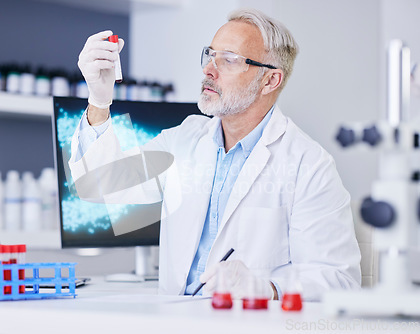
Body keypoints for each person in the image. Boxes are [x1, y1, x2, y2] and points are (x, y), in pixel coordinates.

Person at [70, 8, 361, 301]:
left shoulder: (308, 164)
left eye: (229, 60)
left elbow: (338, 278)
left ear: (270, 81)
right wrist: (99, 100)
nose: (210, 69)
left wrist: (268, 288)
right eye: (210, 54)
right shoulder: (186, 138)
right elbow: (101, 185)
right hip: (175, 319)